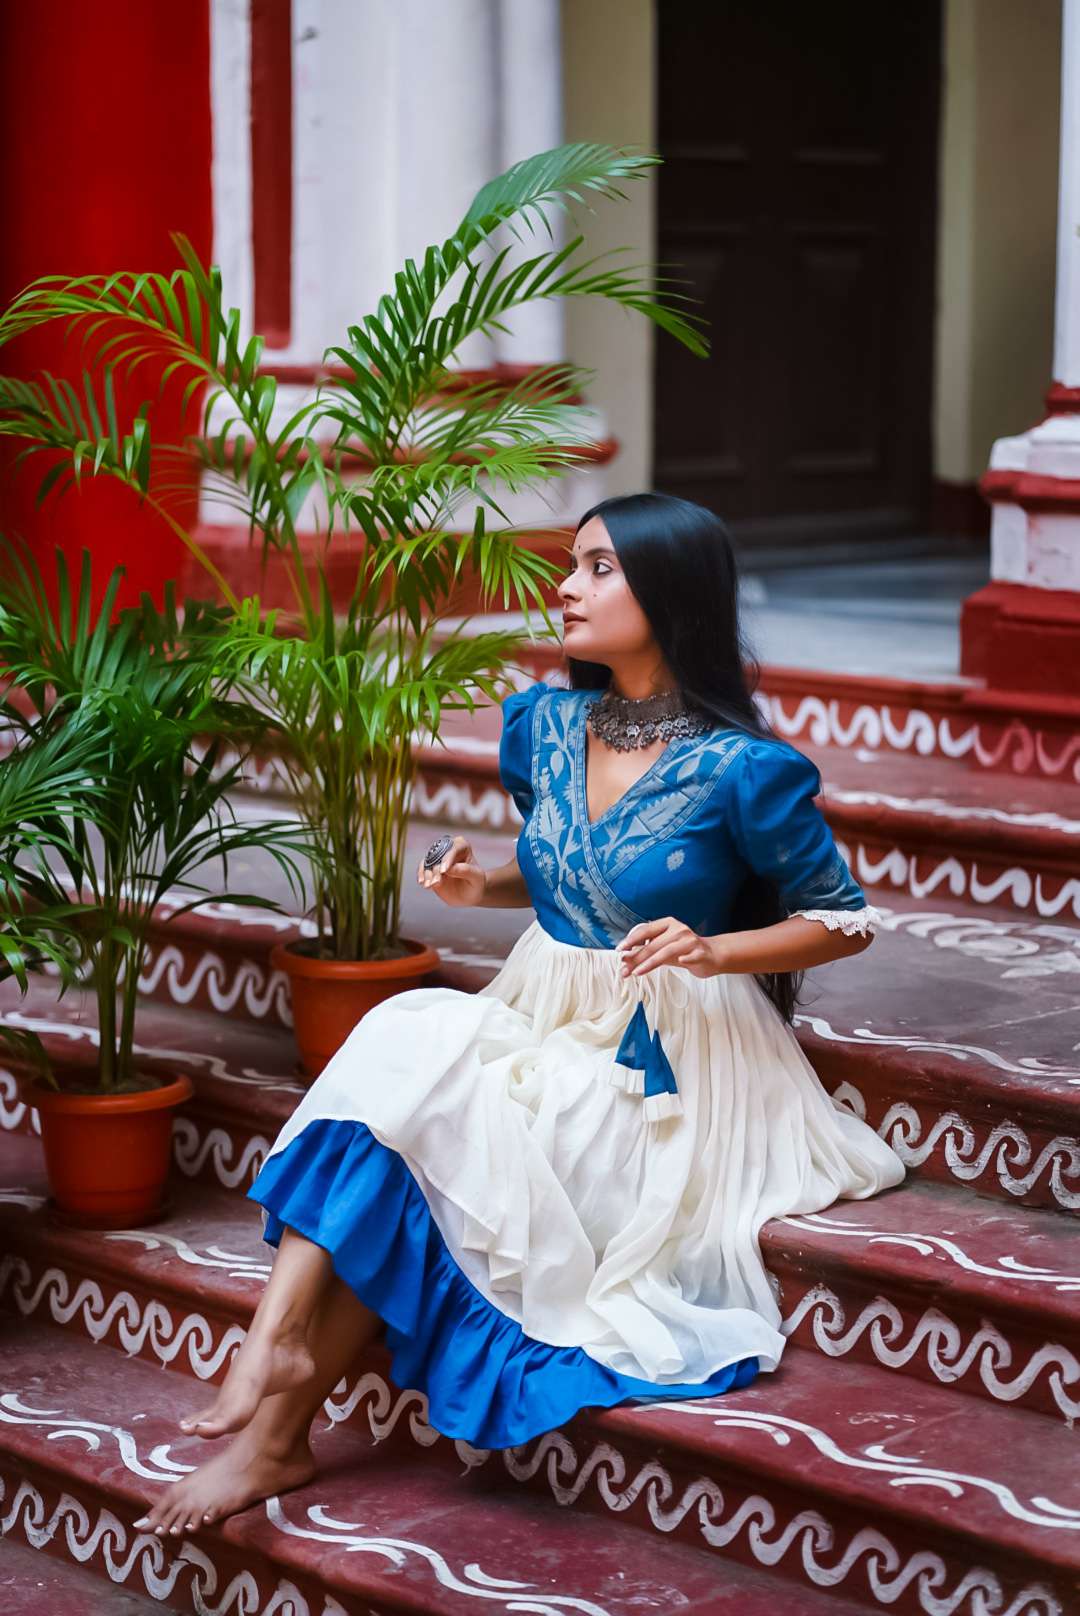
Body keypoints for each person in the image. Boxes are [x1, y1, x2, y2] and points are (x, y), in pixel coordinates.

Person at [136, 491, 906, 1538]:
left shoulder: (744, 769)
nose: (566, 587)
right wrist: (479, 887)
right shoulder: (543, 725)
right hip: (543, 1003)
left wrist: (715, 948)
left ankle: (275, 1427)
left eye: (599, 568)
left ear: (671, 593)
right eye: (572, 564)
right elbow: (567, 874)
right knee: (407, 1038)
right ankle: (271, 1340)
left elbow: (844, 921)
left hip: (667, 1053)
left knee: (463, 1134)